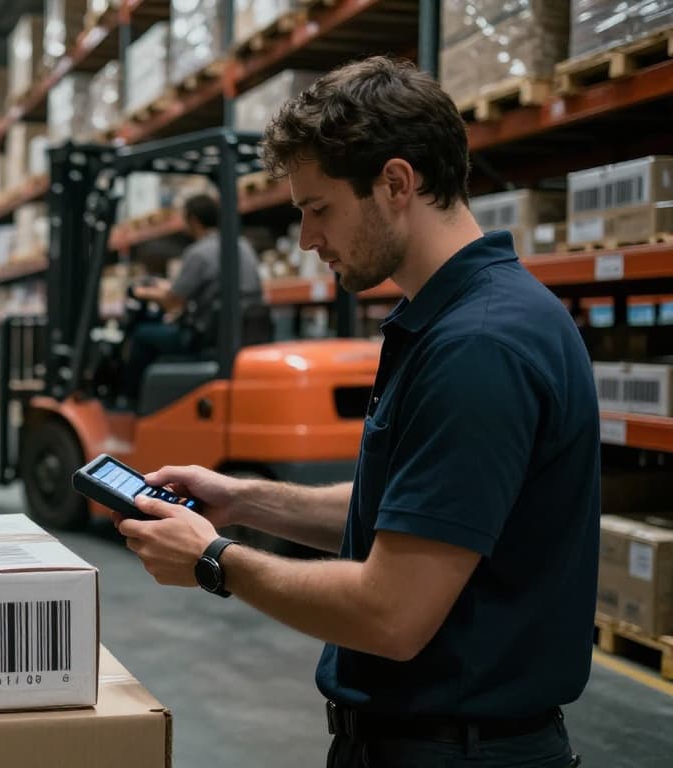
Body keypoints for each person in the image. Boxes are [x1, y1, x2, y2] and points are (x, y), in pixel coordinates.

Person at [117, 57, 597, 767]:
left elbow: (391, 613)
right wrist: (243, 500)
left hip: (455, 753)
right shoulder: (450, 321)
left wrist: (213, 560)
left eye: (318, 209)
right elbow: (413, 511)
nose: (307, 239)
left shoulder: (480, 347)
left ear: (396, 184)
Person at [120, 194, 265, 405]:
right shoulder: (242, 245)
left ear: (194, 221)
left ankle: (132, 402)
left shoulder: (199, 252)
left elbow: (173, 302)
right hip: (240, 331)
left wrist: (142, 293)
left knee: (142, 335)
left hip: (205, 336)